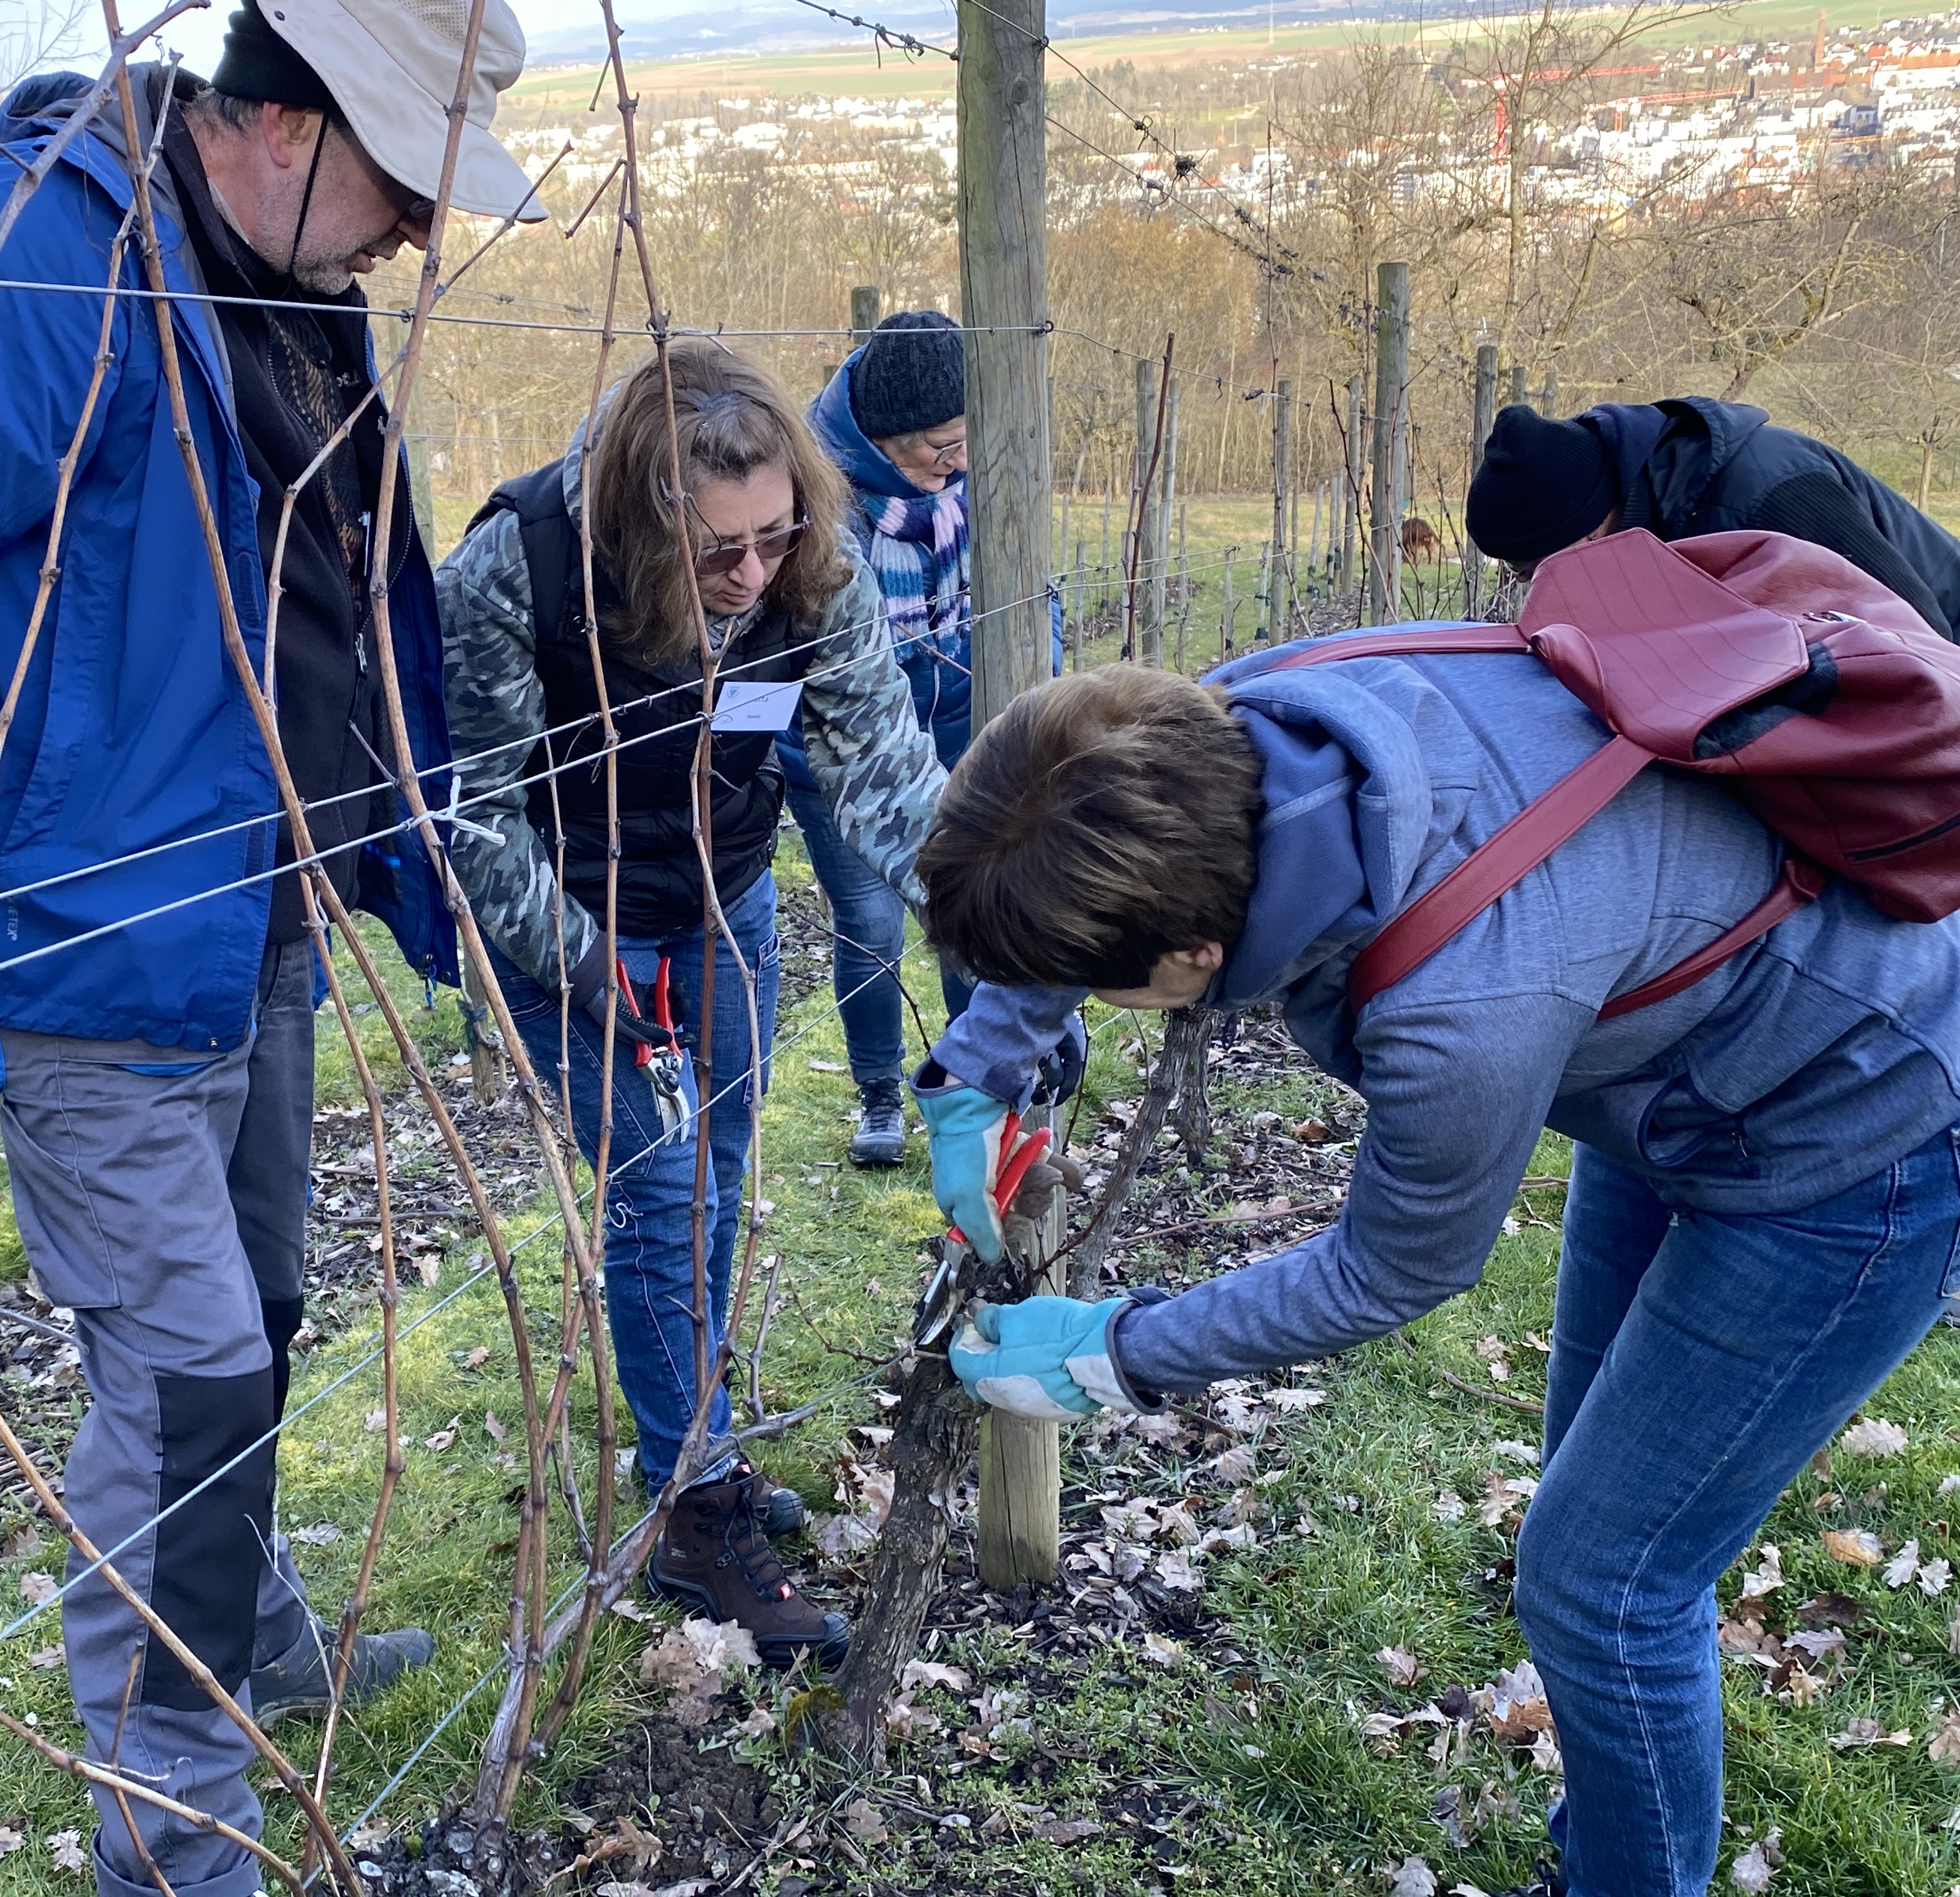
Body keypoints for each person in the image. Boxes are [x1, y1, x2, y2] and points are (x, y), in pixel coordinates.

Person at [0, 4, 547, 1891]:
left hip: (253, 918)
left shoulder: (287, 279)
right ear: (282, 123)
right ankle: (176, 1840)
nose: (421, 231)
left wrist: (411, 845)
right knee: (186, 1396)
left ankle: (258, 1644)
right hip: (89, 942)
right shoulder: (43, 258)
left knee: (262, 1316)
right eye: (405, 180)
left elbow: (340, 589)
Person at [909, 645, 1960, 1897]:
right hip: (1681, 1052)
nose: (1078, 994)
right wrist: (978, 1069)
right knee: (1593, 1506)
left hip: (1862, 1126)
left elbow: (1394, 1267)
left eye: (1094, 983)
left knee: (1605, 1581)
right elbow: (1071, 848)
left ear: (1191, 957)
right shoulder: (1242, 730)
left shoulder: (1461, 1004)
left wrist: (1115, 1353)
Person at [435, 340, 948, 1664]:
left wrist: (997, 921)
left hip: (728, 898)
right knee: (657, 1189)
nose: (754, 575)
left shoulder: (812, 562)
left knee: (716, 1168)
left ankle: (692, 1439)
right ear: (641, 520)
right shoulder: (516, 568)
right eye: (719, 551)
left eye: (774, 537)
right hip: (572, 919)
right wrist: (580, 960)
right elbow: (473, 810)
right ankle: (693, 1510)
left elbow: (884, 765)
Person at [780, 311, 972, 1167]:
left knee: (975, 898)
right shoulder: (812, 496)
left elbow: (1026, 590)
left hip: (964, 723)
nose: (958, 463)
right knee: (870, 922)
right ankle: (880, 1096)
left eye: (965, 442)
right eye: (942, 446)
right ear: (886, 436)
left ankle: (979, 1073)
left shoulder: (972, 483)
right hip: (839, 749)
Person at [1466, 396, 1960, 638]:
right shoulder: (1648, 517)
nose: (1532, 588)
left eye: (1528, 571)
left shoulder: (1763, 498)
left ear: (1587, 531)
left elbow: (1919, 640)